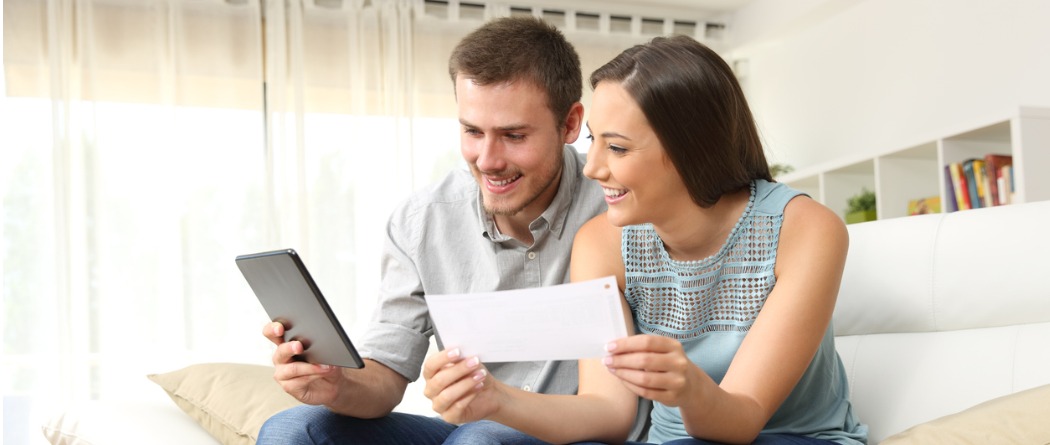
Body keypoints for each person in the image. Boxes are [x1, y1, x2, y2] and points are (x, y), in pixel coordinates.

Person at [423, 35, 869, 444]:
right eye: (595, 141)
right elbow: (609, 411)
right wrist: (497, 399)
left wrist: (689, 389)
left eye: (616, 148)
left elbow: (744, 418)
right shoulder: (602, 242)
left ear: (689, 149)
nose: (592, 168)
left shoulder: (805, 229)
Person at [257, 17, 609, 445]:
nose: (487, 159)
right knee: (292, 427)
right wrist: (337, 385)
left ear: (571, 125)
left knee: (479, 438)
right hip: (472, 434)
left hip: (580, 434)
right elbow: (384, 376)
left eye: (514, 135)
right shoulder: (421, 222)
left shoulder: (615, 201)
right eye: (472, 131)